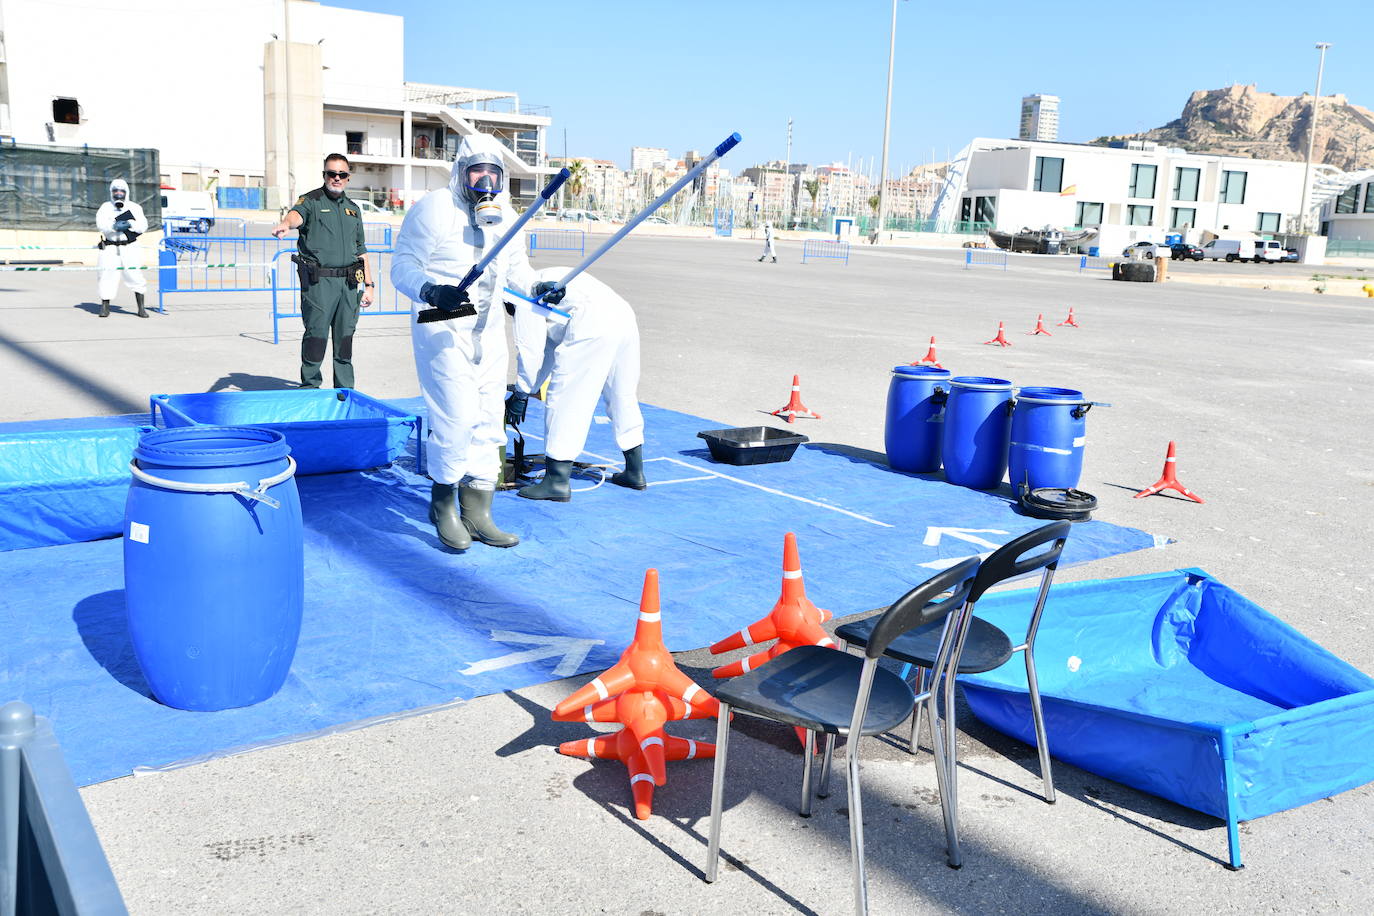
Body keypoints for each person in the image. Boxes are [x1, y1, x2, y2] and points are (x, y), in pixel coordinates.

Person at [391, 134, 535, 551]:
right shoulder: (434, 208)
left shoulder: (507, 215)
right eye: (477, 172)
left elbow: (518, 270)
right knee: (456, 417)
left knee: (489, 419)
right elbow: (402, 266)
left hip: (488, 331)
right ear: (460, 173)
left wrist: (539, 287)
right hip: (442, 327)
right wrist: (430, 290)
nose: (485, 183)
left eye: (494, 174)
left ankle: (478, 510)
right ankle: (443, 505)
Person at [506, 268, 646, 502]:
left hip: (591, 322)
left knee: (567, 399)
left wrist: (520, 394)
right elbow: (548, 349)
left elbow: (531, 350)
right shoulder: (542, 276)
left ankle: (556, 481)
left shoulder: (521, 293)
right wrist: (528, 388)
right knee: (622, 396)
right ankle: (635, 471)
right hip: (622, 316)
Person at [272, 154, 374, 389]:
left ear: (348, 177)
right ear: (324, 175)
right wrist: (286, 224)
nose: (336, 178)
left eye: (342, 174)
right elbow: (296, 215)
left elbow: (361, 249)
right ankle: (310, 387)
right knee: (316, 337)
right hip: (319, 285)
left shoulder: (353, 209)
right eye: (332, 173)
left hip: (349, 285)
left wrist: (369, 285)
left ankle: (344, 391)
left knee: (345, 340)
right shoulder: (311, 201)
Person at [94, 178, 149, 317]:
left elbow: (143, 226)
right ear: (111, 192)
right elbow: (100, 224)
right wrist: (113, 226)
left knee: (135, 274)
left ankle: (141, 308)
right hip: (110, 247)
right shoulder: (105, 207)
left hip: (129, 247)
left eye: (121, 191)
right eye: (115, 191)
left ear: (126, 192)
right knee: (106, 275)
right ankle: (105, 306)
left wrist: (130, 224)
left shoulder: (135, 207)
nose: (118, 193)